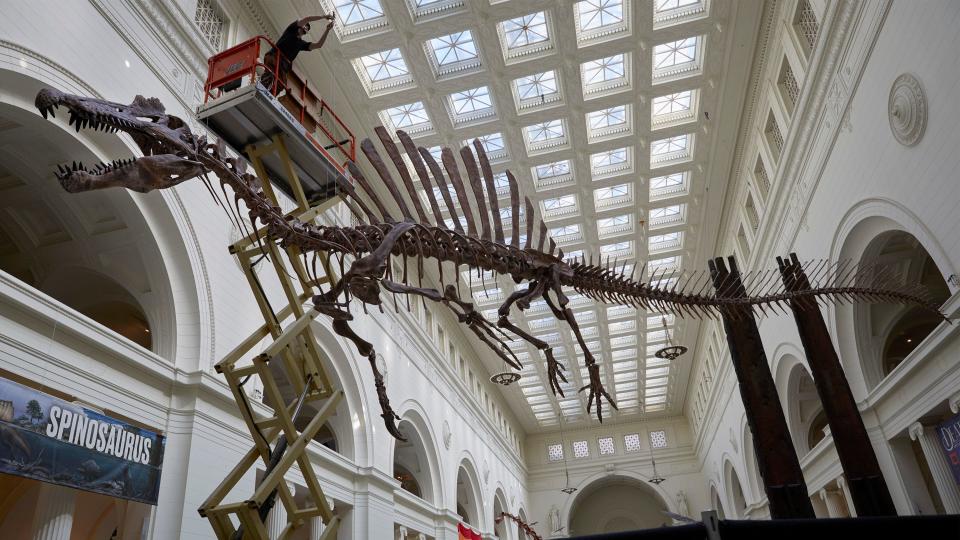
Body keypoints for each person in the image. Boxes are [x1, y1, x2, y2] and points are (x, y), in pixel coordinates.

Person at [261, 13, 335, 95]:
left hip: (282, 66)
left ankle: (269, 95)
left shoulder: (301, 44)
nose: (306, 27)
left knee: (282, 84)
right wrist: (323, 17)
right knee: (270, 73)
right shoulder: (291, 29)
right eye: (305, 25)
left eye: (307, 28)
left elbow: (319, 45)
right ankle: (262, 86)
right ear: (300, 26)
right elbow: (307, 18)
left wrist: (327, 30)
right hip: (274, 57)